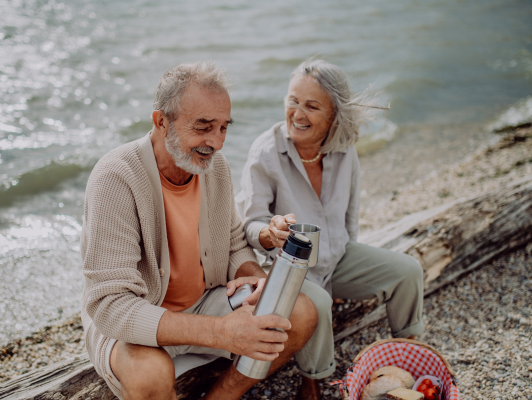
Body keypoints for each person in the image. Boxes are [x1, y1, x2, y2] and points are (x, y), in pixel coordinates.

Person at [80, 61, 332, 400]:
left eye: (224, 128)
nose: (216, 142)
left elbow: (233, 242)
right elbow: (111, 306)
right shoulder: (115, 177)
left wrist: (254, 277)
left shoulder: (215, 168)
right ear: (161, 122)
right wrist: (221, 332)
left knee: (299, 314)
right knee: (150, 375)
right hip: (134, 323)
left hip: (203, 302)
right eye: (203, 127)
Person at [236, 59, 425, 397]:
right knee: (319, 302)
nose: (297, 113)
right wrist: (269, 232)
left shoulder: (345, 149)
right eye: (292, 100)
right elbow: (250, 223)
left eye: (311, 106)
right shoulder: (265, 153)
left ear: (333, 115)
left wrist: (346, 268)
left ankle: (409, 353)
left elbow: (350, 217)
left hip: (337, 257)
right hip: (286, 271)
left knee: (408, 270)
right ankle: (313, 381)